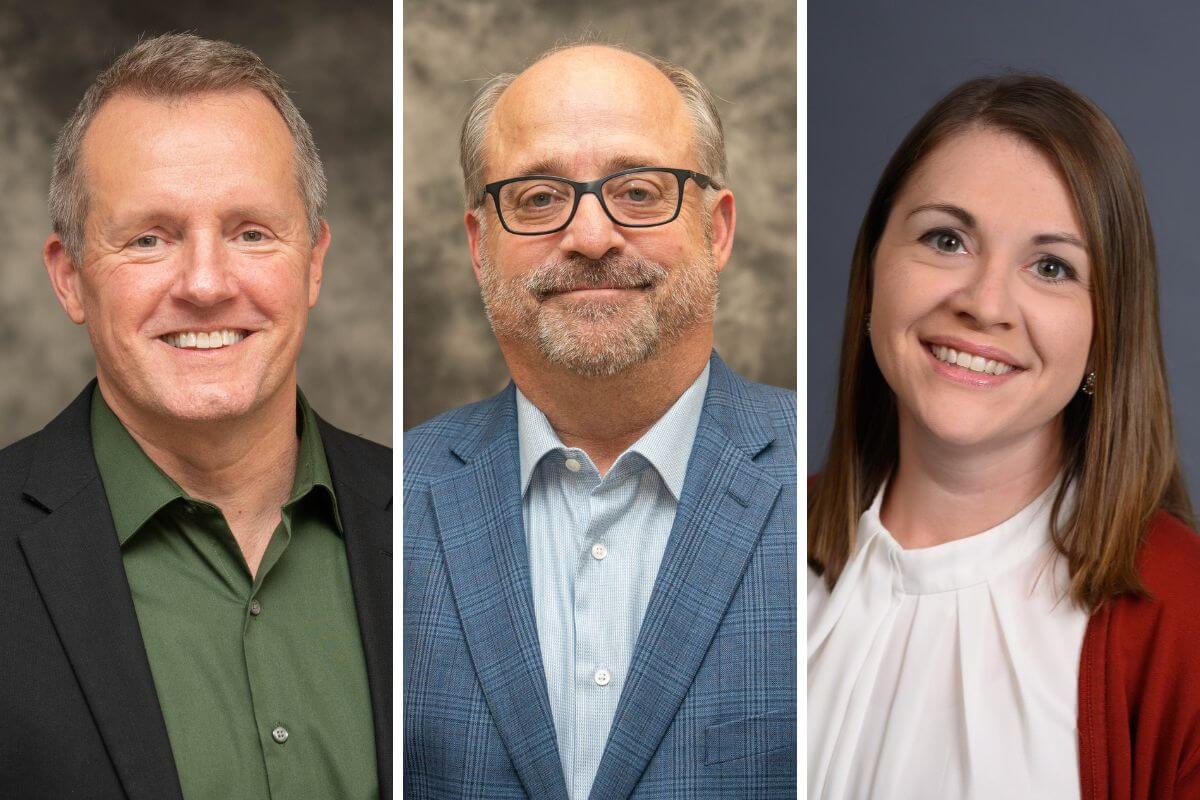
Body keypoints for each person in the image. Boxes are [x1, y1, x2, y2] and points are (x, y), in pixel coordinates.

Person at [0, 34, 391, 799]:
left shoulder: (423, 516)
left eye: (251, 232)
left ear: (313, 262)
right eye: (149, 239)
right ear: (71, 278)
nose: (206, 284)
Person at [404, 43, 796, 799]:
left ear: (716, 231)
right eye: (539, 197)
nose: (589, 237)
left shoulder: (819, 489)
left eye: (640, 191)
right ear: (479, 245)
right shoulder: (391, 503)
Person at [808, 74, 1200, 799]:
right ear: (873, 272)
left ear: (1104, 331)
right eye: (946, 239)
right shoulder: (748, 544)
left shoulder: (1186, 620)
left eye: (1052, 267)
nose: (985, 304)